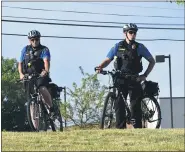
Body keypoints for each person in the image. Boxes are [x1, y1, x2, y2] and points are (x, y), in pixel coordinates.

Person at [96, 23, 155, 128]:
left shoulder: (140, 47)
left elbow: (152, 61)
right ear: (125, 33)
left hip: (134, 79)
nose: (133, 34)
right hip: (121, 79)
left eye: (135, 33)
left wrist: (144, 75)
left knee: (134, 105)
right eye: (130, 32)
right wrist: (100, 66)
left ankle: (138, 130)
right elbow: (107, 59)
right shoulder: (118, 46)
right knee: (119, 104)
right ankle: (120, 129)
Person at [18, 30, 55, 117]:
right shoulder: (25, 49)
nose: (35, 41)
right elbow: (20, 63)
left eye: (36, 39)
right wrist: (21, 74)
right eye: (32, 39)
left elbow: (46, 61)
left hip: (40, 74)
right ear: (29, 40)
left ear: (39, 39)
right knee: (30, 99)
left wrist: (46, 70)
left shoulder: (44, 49)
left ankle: (51, 108)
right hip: (28, 76)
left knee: (41, 88)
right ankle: (35, 126)